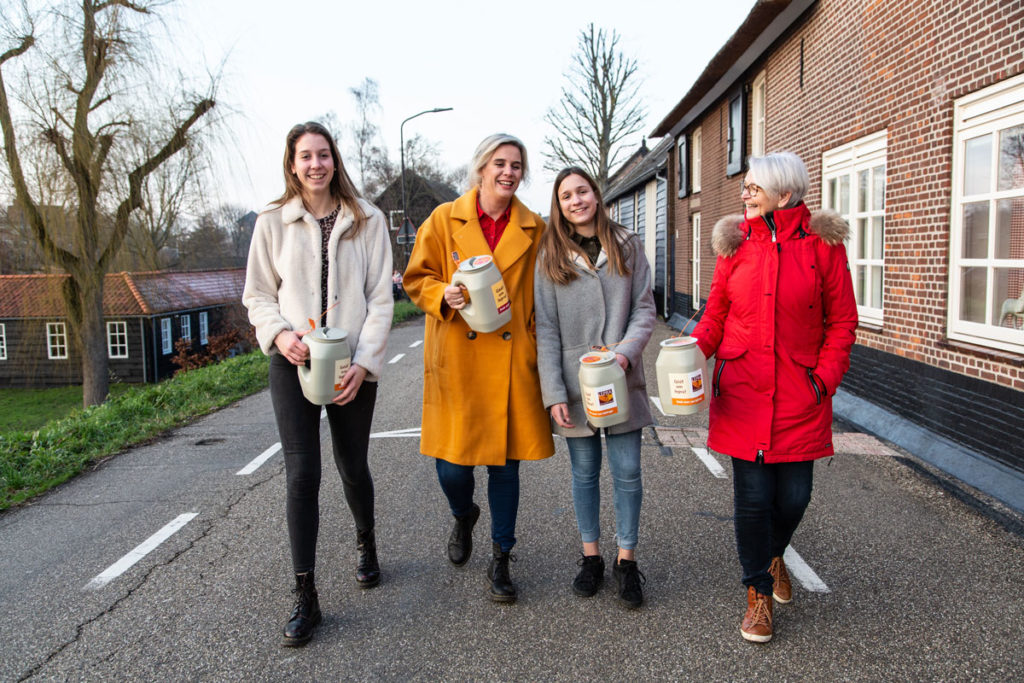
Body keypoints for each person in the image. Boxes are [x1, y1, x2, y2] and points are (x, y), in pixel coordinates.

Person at [691, 152, 857, 643]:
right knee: (753, 498)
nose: (744, 195)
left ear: (783, 195)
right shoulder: (735, 246)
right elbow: (716, 313)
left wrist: (822, 381)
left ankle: (774, 553)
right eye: (744, 187)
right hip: (743, 390)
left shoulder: (823, 248)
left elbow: (843, 322)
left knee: (794, 496)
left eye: (753, 188)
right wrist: (691, 353)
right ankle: (758, 593)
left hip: (800, 394)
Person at [242, 121, 394, 647]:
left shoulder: (367, 219)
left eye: (323, 155)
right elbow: (258, 294)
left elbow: (380, 299)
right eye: (305, 156)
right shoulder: (271, 222)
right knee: (301, 474)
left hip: (350, 362)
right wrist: (279, 335)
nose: (315, 164)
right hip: (293, 360)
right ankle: (305, 596)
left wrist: (365, 362)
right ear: (291, 163)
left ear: (335, 161)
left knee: (352, 465)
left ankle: (366, 543)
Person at [403, 133, 554, 604]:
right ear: (481, 169)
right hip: (457, 355)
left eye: (516, 165)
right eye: (500, 163)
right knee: (451, 466)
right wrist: (440, 294)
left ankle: (501, 558)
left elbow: (548, 290)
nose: (509, 172)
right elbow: (415, 278)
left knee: (506, 468)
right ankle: (463, 512)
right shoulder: (443, 219)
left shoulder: (535, 229)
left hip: (511, 359)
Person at [534, 167, 656, 609]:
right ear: (559, 204)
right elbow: (545, 329)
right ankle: (591, 557)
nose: (575, 201)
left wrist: (624, 354)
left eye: (582, 191)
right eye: (566, 195)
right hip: (573, 383)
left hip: (622, 378)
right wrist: (552, 393)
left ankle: (627, 560)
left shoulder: (627, 244)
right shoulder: (549, 255)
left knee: (627, 472)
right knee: (584, 474)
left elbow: (645, 308)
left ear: (596, 195)